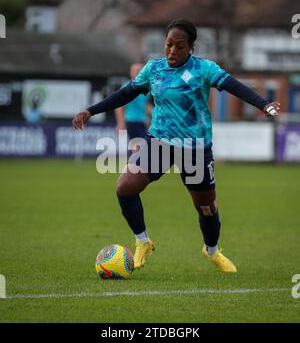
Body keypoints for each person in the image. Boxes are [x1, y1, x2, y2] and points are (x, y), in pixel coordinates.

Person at [72, 19, 280, 273]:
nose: (172, 51)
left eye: (179, 46)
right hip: (159, 142)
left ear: (191, 47)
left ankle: (212, 251)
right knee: (125, 187)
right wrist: (90, 111)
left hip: (196, 149)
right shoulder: (153, 69)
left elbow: (234, 86)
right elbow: (125, 93)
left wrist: (263, 104)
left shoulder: (204, 69)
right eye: (169, 44)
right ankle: (143, 241)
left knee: (207, 208)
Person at [115, 63, 153, 152]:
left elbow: (146, 106)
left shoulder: (146, 88)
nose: (138, 73)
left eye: (140, 71)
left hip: (142, 122)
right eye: (136, 71)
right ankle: (133, 165)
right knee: (138, 147)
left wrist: (155, 115)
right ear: (130, 73)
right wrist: (120, 123)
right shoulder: (127, 87)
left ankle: (133, 164)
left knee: (140, 147)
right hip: (131, 121)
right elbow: (119, 107)